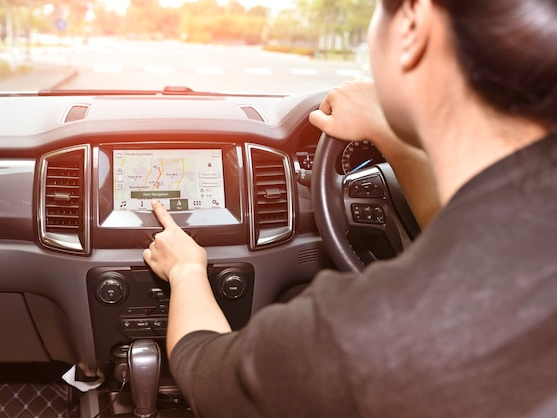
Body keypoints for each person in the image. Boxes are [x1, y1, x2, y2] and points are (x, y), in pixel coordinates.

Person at [142, 0, 557, 416]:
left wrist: (186, 271)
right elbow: (468, 240)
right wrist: (388, 135)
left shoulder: (366, 333)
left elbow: (202, 371)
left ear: (413, 26)